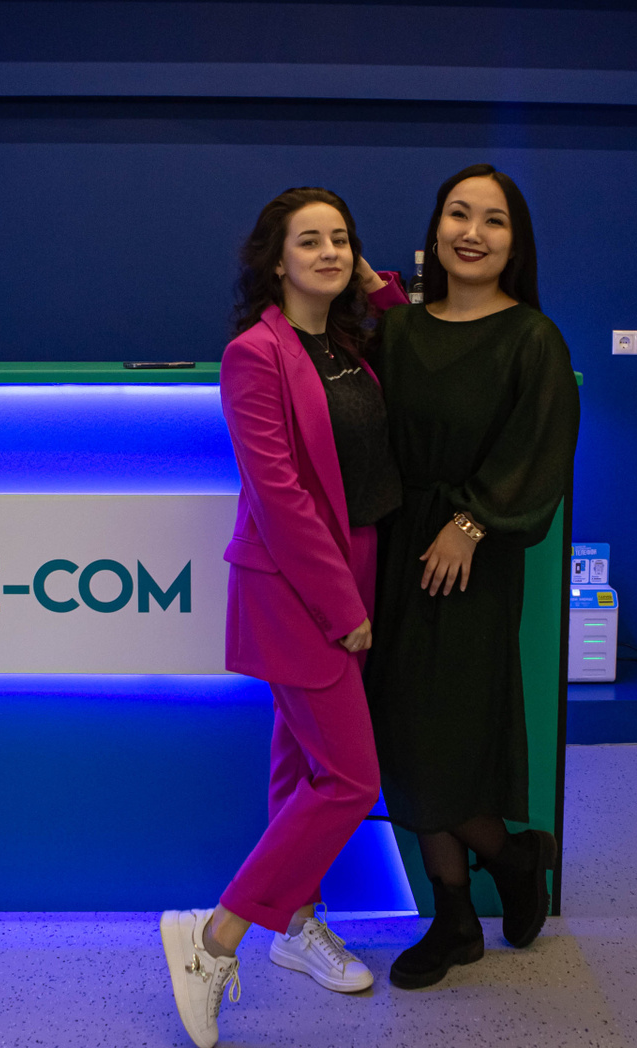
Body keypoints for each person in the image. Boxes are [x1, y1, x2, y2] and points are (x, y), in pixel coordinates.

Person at [160, 187, 408, 1048]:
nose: (330, 252)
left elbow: (413, 333)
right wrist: (342, 604)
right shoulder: (254, 355)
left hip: (360, 559)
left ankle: (295, 925)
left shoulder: (349, 345)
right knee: (349, 779)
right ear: (275, 262)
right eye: (310, 241)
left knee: (301, 758)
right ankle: (215, 934)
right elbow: (280, 495)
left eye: (342, 238)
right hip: (300, 582)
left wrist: (374, 284)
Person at [363, 162, 580, 990]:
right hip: (395, 553)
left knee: (446, 737)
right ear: (436, 230)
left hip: (471, 563)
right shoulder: (399, 332)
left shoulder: (532, 338)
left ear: (515, 243)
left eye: (493, 220)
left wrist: (470, 522)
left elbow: (539, 450)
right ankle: (458, 912)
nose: (473, 233)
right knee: (403, 736)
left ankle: (511, 860)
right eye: (459, 214)